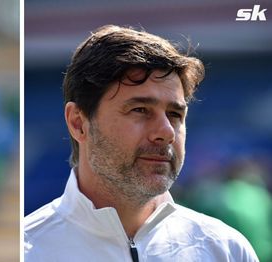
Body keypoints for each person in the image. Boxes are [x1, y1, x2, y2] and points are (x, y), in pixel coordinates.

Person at [24, 25, 258, 261]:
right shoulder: (28, 249)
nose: (166, 132)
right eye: (140, 110)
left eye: (175, 115)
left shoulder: (226, 249)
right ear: (78, 123)